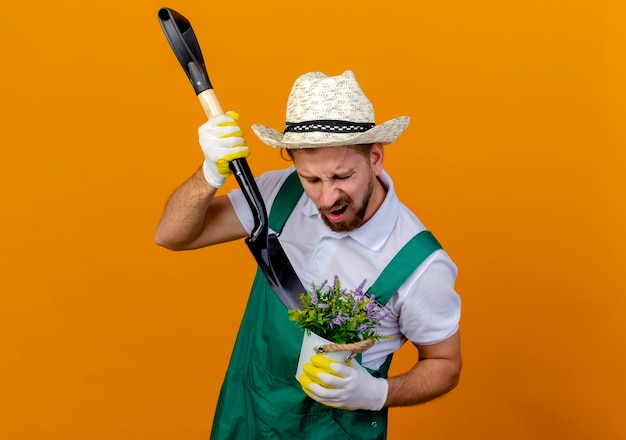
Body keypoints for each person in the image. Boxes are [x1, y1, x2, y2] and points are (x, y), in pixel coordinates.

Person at [155, 70, 462, 439]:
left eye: (342, 176)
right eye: (312, 180)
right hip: (249, 412)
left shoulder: (419, 263)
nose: (327, 197)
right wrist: (208, 174)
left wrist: (378, 393)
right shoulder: (275, 193)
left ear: (375, 157)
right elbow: (170, 235)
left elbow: (445, 364)